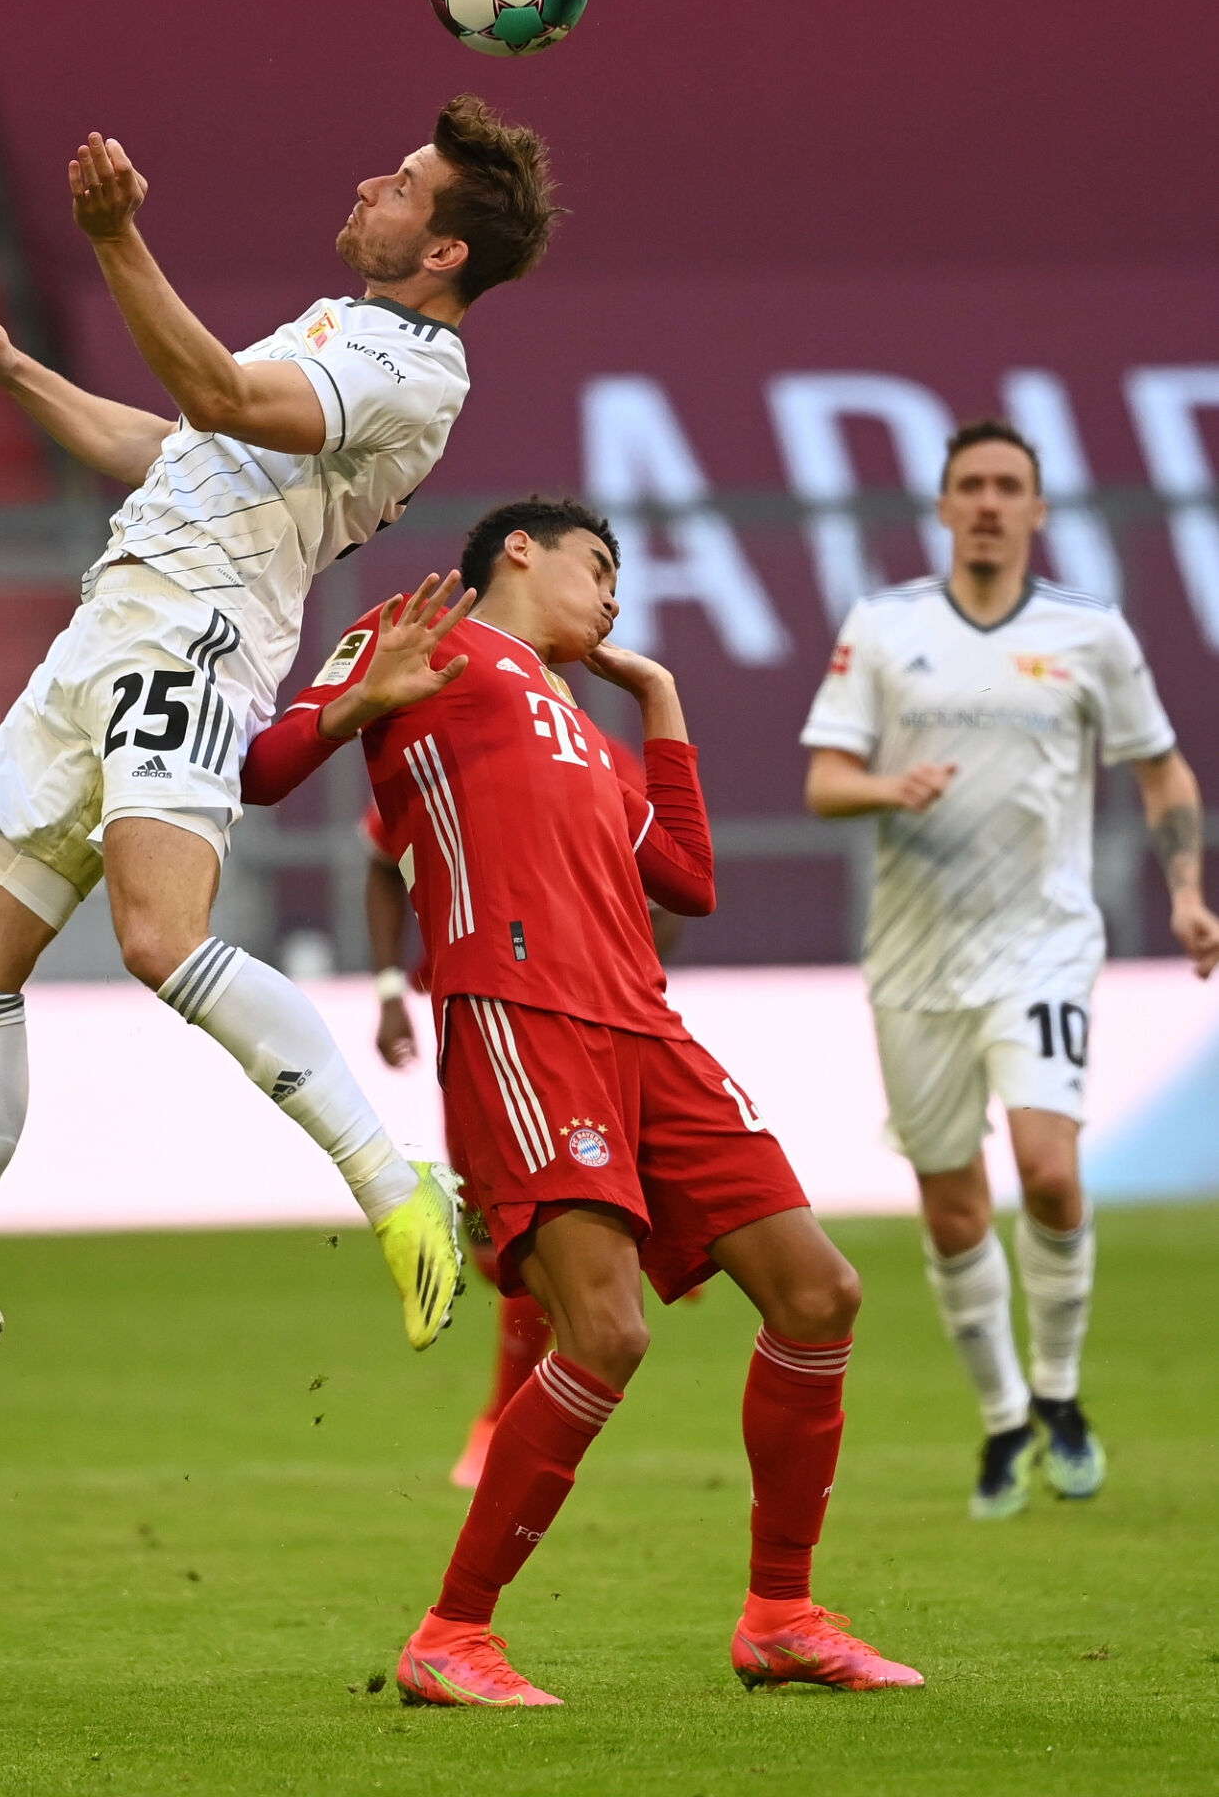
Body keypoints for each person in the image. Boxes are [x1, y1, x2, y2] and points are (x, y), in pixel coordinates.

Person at [0, 96, 562, 1409]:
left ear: (445, 250)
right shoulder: (343, 330)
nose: (371, 185)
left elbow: (215, 391)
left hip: (195, 640)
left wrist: (114, 239)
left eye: (401, 183)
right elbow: (180, 447)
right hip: (105, 631)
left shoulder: (415, 369)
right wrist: (21, 375)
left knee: (162, 938)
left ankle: (397, 1185)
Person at [242, 497, 924, 1706]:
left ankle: (780, 1616)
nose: (614, 597)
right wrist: (355, 704)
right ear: (520, 549)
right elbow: (262, 769)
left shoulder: (583, 727)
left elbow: (689, 881)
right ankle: (452, 1635)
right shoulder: (424, 634)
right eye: (598, 566)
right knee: (604, 1332)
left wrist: (659, 702)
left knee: (820, 1294)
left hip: (644, 1031)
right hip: (520, 1013)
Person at [801, 419, 1219, 1520]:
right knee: (951, 1209)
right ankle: (1001, 1420)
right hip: (915, 959)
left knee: (1047, 1172)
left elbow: (1163, 770)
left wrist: (1186, 891)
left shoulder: (1090, 632)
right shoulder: (884, 626)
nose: (988, 503)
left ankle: (1062, 1394)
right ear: (943, 508)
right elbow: (826, 780)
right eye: (971, 486)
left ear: (1037, 509)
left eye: (1007, 487)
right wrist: (887, 789)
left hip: (1042, 944)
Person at [359, 749, 689, 1491]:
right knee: (490, 1242)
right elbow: (380, 859)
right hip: (473, 1026)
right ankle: (647, 1245)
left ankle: (502, 1420)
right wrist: (387, 989)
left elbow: (677, 889)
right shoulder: (447, 752)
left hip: (569, 1032)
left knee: (542, 1226)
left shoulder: (605, 762)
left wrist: (619, 983)